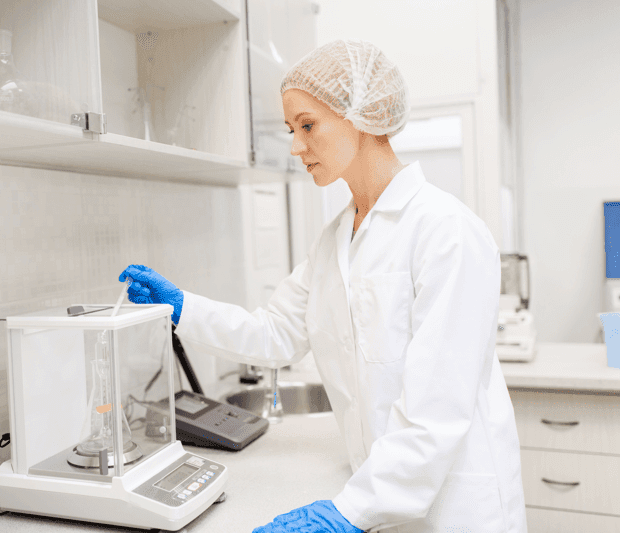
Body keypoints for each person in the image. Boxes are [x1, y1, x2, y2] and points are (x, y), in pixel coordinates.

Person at [119, 39, 526, 533]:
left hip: (455, 508)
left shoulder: (446, 231)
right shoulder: (335, 240)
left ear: (363, 115)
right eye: (291, 130)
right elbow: (275, 334)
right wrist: (183, 307)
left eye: (307, 125)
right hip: (377, 496)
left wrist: (346, 511)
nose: (295, 146)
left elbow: (437, 407)